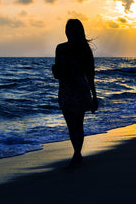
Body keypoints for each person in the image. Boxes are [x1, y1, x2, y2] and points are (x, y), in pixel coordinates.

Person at [52, 19, 98, 167]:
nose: (68, 31)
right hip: (66, 91)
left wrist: (94, 96)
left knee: (77, 124)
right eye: (67, 28)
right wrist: (59, 93)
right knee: (71, 126)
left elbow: (90, 75)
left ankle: (77, 154)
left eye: (71, 29)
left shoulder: (84, 49)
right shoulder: (60, 48)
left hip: (80, 90)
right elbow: (58, 74)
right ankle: (77, 153)